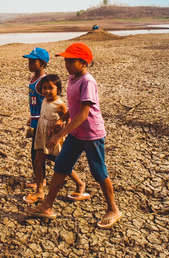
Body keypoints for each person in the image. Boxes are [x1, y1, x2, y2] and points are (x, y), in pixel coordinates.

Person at [29, 42, 122, 228]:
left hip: (91, 134)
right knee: (61, 165)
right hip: (76, 132)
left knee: (98, 171)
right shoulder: (72, 78)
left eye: (72, 61)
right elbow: (74, 107)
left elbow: (84, 113)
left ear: (84, 63)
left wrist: (59, 134)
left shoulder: (88, 81)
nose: (67, 64)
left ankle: (113, 209)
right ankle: (47, 206)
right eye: (66, 60)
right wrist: (63, 117)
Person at [23, 74, 88, 204]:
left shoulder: (60, 104)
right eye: (44, 88)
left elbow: (67, 119)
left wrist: (59, 129)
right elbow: (43, 114)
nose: (46, 91)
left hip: (52, 137)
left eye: (50, 88)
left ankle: (80, 184)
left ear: (58, 89)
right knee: (38, 160)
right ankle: (40, 191)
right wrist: (33, 119)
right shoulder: (44, 100)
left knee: (61, 163)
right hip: (42, 135)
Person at [23, 47, 49, 187]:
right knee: (36, 152)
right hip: (35, 120)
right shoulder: (34, 78)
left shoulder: (44, 82)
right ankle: (39, 178)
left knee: (38, 153)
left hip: (42, 122)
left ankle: (41, 180)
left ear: (43, 64)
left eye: (33, 62)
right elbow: (35, 103)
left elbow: (47, 102)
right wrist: (31, 116)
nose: (30, 64)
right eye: (29, 62)